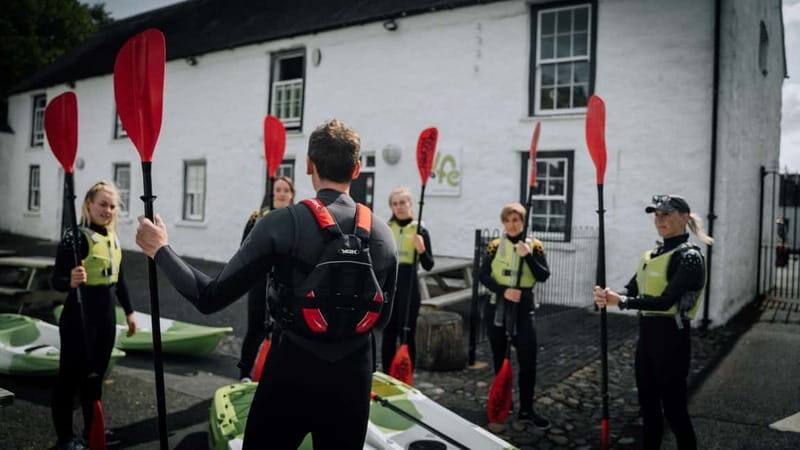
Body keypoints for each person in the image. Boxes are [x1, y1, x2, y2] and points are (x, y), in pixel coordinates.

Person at [136, 119, 397, 449]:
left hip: (292, 373)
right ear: (356, 168)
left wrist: (160, 250)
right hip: (353, 379)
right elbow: (383, 320)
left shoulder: (280, 223)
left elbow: (209, 297)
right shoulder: (384, 234)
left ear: (309, 165)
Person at [594, 194, 713, 450]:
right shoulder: (652, 254)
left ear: (684, 217)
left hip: (672, 340)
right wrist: (608, 295)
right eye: (656, 215)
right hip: (647, 340)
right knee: (648, 408)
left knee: (675, 411)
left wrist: (621, 302)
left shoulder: (689, 257)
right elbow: (632, 289)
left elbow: (666, 302)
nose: (659, 220)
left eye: (666, 214)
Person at [51, 181, 137, 450]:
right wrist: (70, 280)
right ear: (88, 204)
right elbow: (56, 280)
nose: (107, 210)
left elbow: (119, 280)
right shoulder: (75, 238)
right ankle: (65, 438)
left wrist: (130, 312)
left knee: (96, 377)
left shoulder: (112, 237)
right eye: (102, 204)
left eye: (112, 206)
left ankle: (92, 430)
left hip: (105, 318)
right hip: (78, 318)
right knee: (70, 379)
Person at [479, 203, 551, 430]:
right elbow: (482, 275)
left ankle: (527, 409)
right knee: (500, 357)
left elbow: (543, 275)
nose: (511, 225)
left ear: (523, 222)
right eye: (508, 221)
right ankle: (504, 401)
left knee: (528, 358)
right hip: (498, 305)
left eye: (516, 220)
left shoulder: (535, 246)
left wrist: (527, 256)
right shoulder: (494, 246)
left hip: (523, 306)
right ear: (503, 223)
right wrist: (503, 290)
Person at [237, 175, 295, 382]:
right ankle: (245, 372)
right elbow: (244, 250)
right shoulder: (257, 218)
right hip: (261, 281)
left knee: (284, 331)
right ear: (271, 194)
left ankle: (277, 376)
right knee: (256, 327)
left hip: (286, 284)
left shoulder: (297, 219)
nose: (281, 194)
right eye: (277, 190)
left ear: (292, 195)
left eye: (286, 190)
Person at [381, 186, 434, 373]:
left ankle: (406, 375)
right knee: (388, 333)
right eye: (395, 204)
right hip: (390, 285)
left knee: (407, 333)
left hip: (409, 286)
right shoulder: (387, 229)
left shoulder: (420, 230)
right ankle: (386, 374)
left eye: (403, 202)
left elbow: (429, 265)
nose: (399, 207)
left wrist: (422, 250)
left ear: (410, 204)